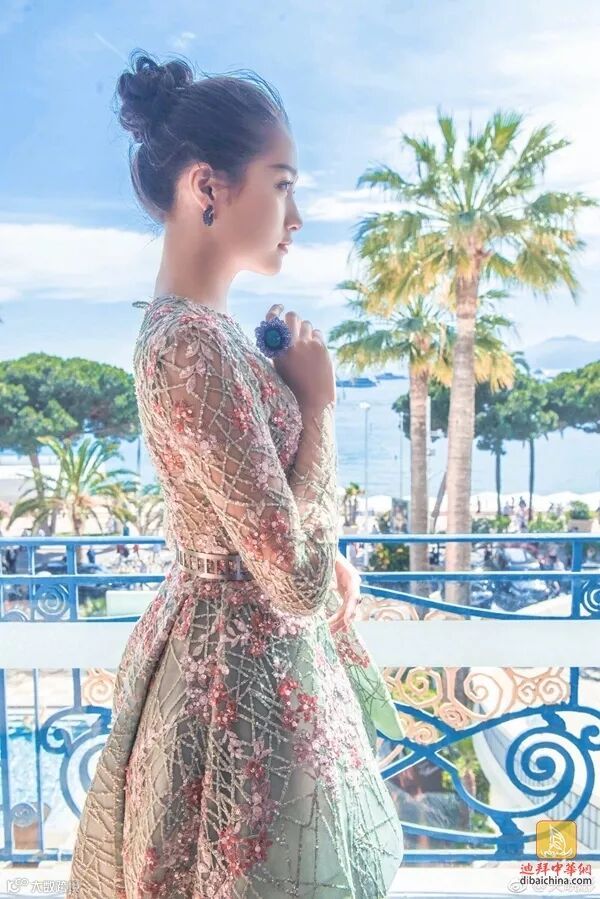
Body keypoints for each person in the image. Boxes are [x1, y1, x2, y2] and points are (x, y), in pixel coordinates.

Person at [67, 51, 405, 899]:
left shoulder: (201, 332)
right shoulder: (190, 344)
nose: (297, 216)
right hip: (239, 686)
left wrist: (321, 548)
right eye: (282, 186)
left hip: (239, 656)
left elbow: (269, 537)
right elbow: (292, 581)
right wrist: (319, 406)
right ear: (206, 187)